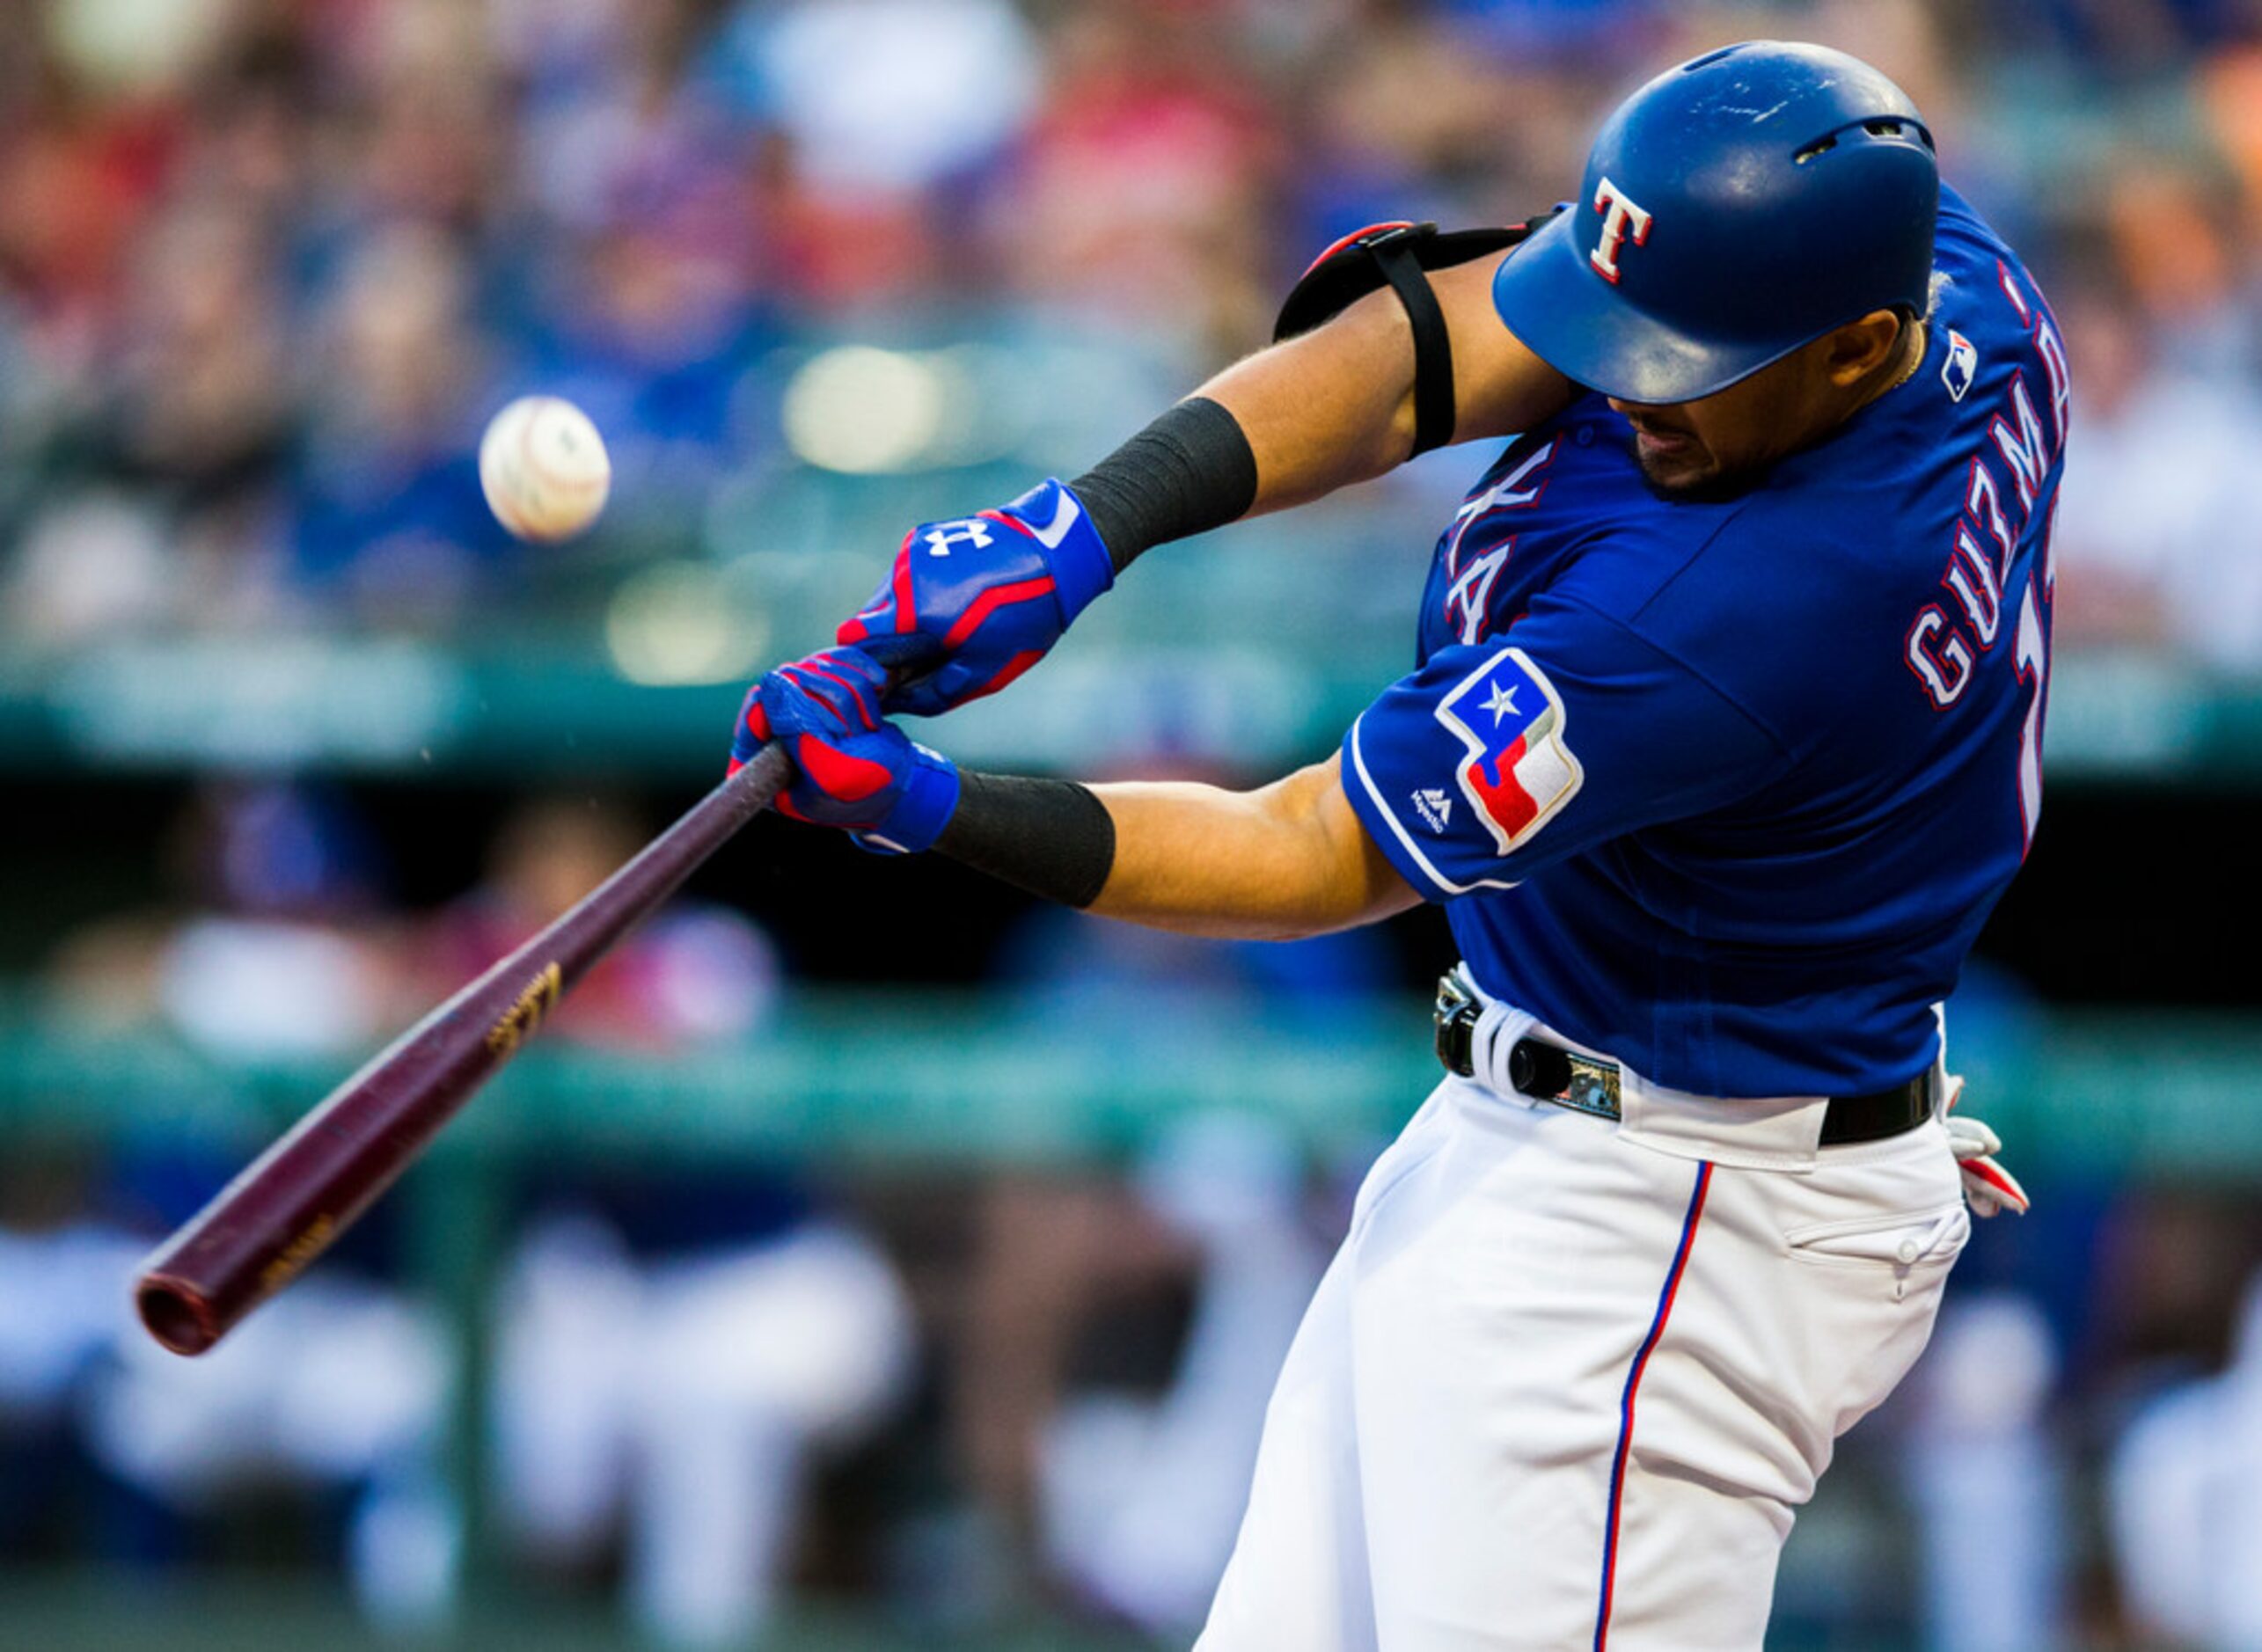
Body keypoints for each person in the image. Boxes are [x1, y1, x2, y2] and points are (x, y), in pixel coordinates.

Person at [728, 40, 2047, 1649]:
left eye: (1687, 360)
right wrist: (1086, 523)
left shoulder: (1742, 617)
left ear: (1853, 353)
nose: (1634, 385)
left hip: (1662, 1232)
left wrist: (939, 804)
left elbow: (1313, 850)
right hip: (1557, 1135)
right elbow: (1458, 340)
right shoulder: (1947, 277)